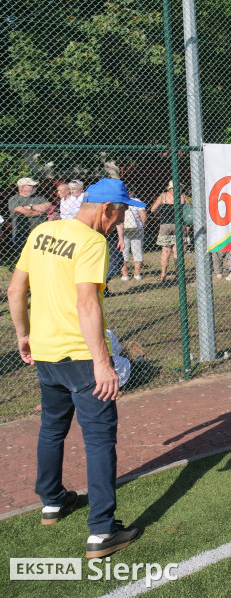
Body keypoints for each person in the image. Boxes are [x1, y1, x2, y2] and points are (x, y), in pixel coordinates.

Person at [7, 178, 143, 558]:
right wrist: (103, 362)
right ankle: (101, 531)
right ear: (107, 210)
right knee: (99, 439)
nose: (120, 221)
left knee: (52, 428)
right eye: (121, 213)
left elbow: (16, 290)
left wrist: (23, 335)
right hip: (80, 358)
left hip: (46, 355)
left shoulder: (42, 231)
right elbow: (87, 304)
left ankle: (52, 501)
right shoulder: (92, 242)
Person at [151, 180, 188, 282]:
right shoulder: (182, 196)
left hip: (165, 224)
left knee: (165, 251)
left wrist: (161, 214)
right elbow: (189, 209)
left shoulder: (163, 196)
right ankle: (178, 275)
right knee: (178, 251)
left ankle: (163, 275)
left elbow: (153, 209)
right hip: (180, 224)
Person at [8, 177, 53, 253]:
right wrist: (39, 211)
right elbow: (20, 211)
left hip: (41, 233)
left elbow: (48, 206)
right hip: (22, 234)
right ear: (22, 187)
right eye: (31, 186)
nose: (34, 187)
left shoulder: (39, 197)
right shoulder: (14, 199)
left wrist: (30, 207)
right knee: (23, 257)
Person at [119, 190, 147, 281]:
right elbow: (143, 216)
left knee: (124, 251)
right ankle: (137, 274)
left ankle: (124, 274)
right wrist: (142, 225)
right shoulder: (137, 201)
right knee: (137, 251)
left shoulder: (120, 201)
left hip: (123, 229)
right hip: (137, 229)